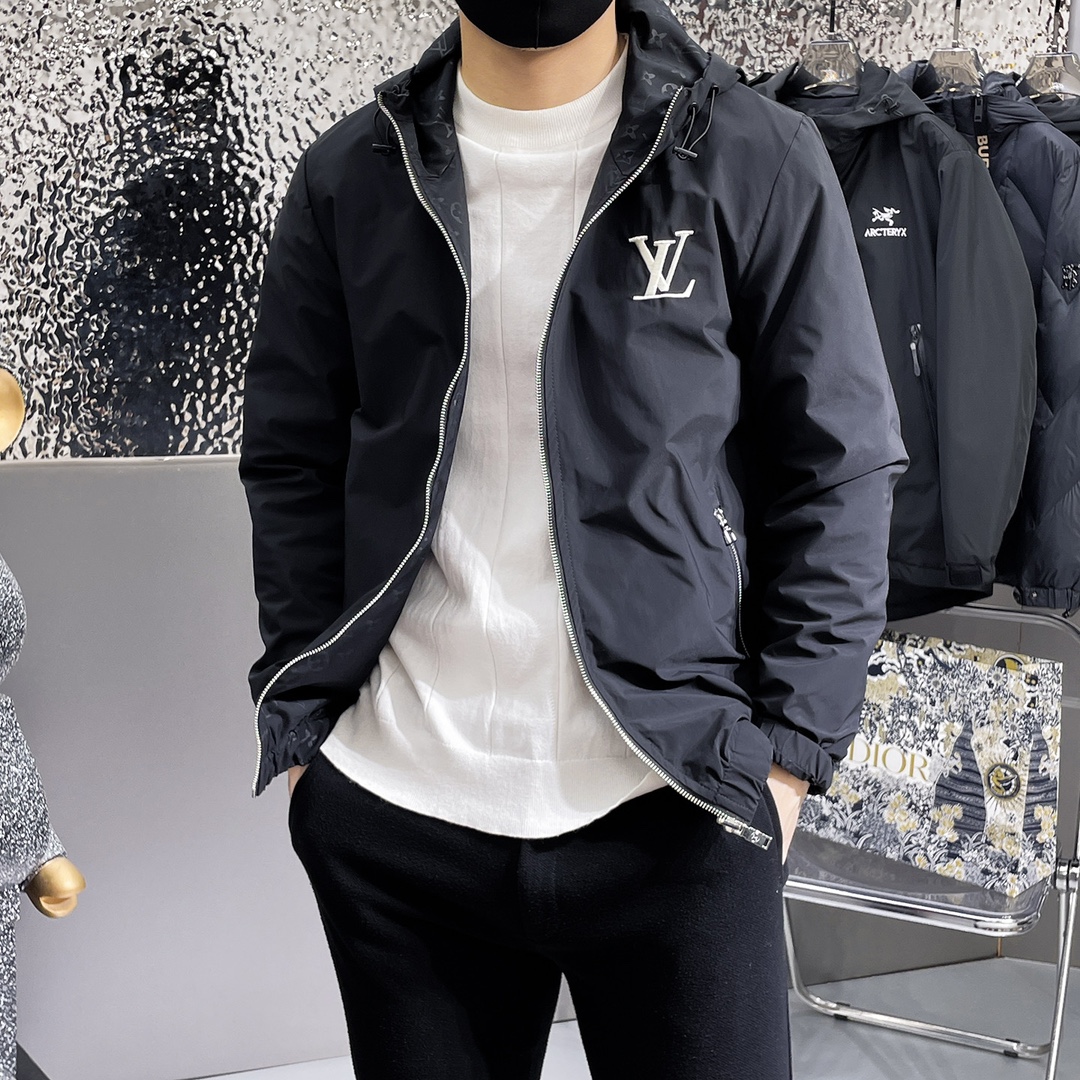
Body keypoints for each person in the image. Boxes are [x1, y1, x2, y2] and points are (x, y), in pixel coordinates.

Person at [239, 1, 906, 1077]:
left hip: (678, 802)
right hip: (400, 815)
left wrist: (789, 756)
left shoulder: (750, 155)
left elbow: (839, 463)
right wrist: (308, 731)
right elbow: (292, 457)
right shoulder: (353, 174)